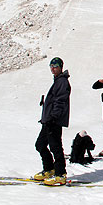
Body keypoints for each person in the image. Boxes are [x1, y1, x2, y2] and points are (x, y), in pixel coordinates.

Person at [34, 57, 71, 186]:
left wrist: (53, 117)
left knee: (55, 147)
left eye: (55, 66)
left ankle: (60, 174)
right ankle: (49, 169)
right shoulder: (58, 81)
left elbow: (60, 101)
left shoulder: (62, 82)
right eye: (51, 66)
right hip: (48, 121)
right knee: (40, 145)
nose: (52, 68)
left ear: (60, 67)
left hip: (53, 121)